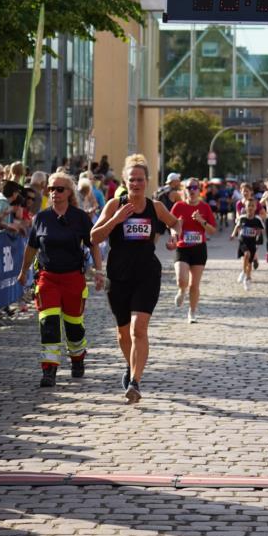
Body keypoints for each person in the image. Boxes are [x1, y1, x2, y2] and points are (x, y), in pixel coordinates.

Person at [91, 154, 181, 403]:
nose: (136, 183)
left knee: (138, 328)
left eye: (141, 179)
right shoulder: (114, 205)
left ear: (148, 181)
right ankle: (131, 367)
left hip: (146, 274)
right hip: (118, 276)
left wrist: (174, 236)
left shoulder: (156, 207)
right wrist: (115, 220)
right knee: (123, 334)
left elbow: (175, 223)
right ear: (125, 181)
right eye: (132, 180)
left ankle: (135, 382)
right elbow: (94, 237)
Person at [17, 172, 104, 386]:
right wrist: (23, 271)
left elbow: (93, 245)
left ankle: (77, 358)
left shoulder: (80, 217)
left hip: (73, 278)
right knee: (49, 323)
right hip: (48, 278)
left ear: (69, 192)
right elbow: (31, 247)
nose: (54, 193)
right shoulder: (42, 218)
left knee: (74, 326)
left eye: (59, 189)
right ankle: (49, 370)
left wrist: (99, 271)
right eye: (51, 189)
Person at [168, 177, 216, 323]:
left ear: (199, 190)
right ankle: (182, 290)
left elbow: (212, 230)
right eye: (189, 188)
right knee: (181, 279)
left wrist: (202, 221)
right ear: (185, 190)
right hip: (182, 248)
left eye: (195, 187)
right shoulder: (178, 206)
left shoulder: (205, 207)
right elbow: (170, 226)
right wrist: (177, 229)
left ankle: (192, 312)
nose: (192, 190)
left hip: (199, 249)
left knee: (194, 284)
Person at [231, 198, 265, 289]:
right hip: (243, 241)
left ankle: (247, 279)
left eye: (252, 206)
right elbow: (237, 226)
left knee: (249, 263)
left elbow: (261, 229)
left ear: (255, 208)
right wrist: (233, 234)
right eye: (248, 205)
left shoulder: (257, 219)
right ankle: (243, 271)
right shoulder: (242, 218)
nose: (250, 207)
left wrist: (258, 233)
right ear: (245, 207)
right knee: (247, 254)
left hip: (252, 242)